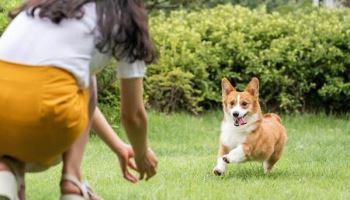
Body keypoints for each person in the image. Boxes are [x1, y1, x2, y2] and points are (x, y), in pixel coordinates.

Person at [0, 0, 158, 199]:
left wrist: (118, 146)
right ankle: (72, 180)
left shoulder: (46, 6)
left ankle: (6, 171)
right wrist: (141, 154)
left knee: (14, 129)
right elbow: (132, 115)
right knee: (84, 80)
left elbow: (71, 95)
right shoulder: (123, 17)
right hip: (45, 115)